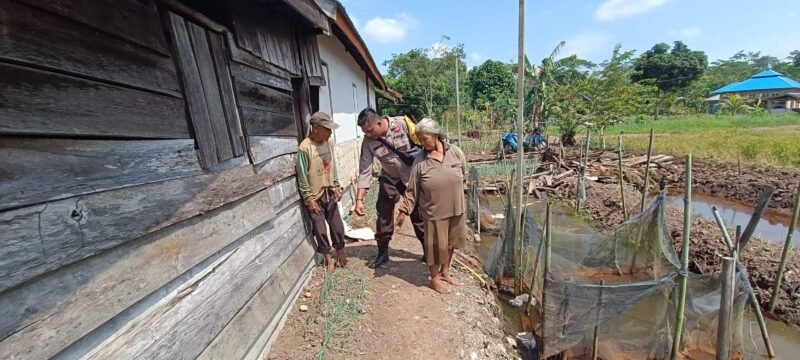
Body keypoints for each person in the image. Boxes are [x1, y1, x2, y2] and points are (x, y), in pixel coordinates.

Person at [396, 118, 467, 294]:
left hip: (456, 208)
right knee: (435, 247)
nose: (421, 143)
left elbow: (463, 173)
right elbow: (412, 189)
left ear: (436, 135)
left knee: (450, 244)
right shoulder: (420, 161)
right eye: (419, 139)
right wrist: (404, 210)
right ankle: (434, 279)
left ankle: (445, 272)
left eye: (424, 138)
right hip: (433, 211)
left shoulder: (456, 153)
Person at [354, 108, 425, 268]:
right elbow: (365, 169)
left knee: (418, 215)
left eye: (370, 130)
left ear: (379, 122)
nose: (369, 135)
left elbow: (425, 145)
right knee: (383, 213)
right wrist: (359, 199)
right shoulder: (368, 141)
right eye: (365, 132)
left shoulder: (403, 124)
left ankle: (428, 251)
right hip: (390, 178)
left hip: (412, 178)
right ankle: (383, 253)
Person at [296, 112, 346, 272]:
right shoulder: (305, 148)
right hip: (314, 195)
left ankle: (341, 253)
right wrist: (308, 199)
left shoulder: (328, 142)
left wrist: (336, 184)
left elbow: (333, 165)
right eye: (327, 129)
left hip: (329, 191)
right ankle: (328, 259)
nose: (330, 132)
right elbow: (302, 175)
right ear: (316, 128)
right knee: (320, 228)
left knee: (337, 224)